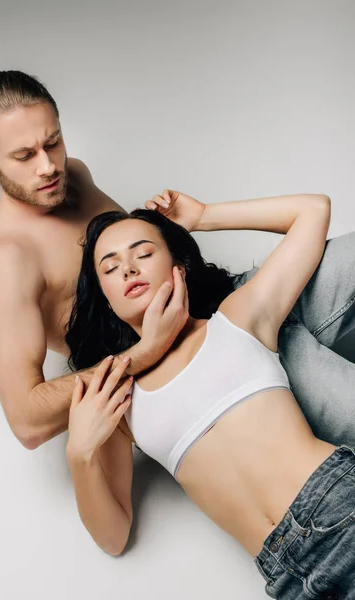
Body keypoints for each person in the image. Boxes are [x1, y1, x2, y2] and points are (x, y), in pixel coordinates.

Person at [0, 70, 355, 456]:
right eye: (24, 156)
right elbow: (26, 421)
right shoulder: (7, 263)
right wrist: (147, 352)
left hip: (238, 302)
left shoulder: (74, 175)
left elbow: (144, 253)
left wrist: (195, 219)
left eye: (52, 142)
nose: (48, 167)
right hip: (205, 368)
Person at [65, 196, 355, 598]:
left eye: (144, 253)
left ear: (177, 266)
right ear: (107, 299)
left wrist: (204, 217)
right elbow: (113, 537)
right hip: (286, 576)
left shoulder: (237, 317)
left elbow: (314, 211)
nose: (128, 268)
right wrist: (79, 455)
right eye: (110, 268)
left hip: (340, 504)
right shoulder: (117, 401)